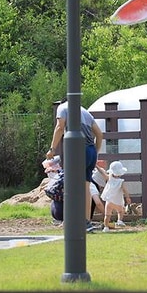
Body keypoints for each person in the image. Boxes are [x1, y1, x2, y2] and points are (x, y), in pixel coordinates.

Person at [46, 99, 103, 232]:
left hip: (77, 150)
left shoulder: (62, 108)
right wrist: (95, 151)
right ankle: (86, 222)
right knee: (86, 188)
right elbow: (99, 134)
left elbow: (60, 127)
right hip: (91, 151)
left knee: (71, 187)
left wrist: (52, 149)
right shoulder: (85, 112)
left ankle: (71, 221)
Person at [99, 160, 130, 232]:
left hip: (109, 201)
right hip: (118, 201)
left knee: (107, 215)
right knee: (120, 211)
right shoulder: (121, 181)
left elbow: (102, 172)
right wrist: (127, 197)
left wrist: (97, 166)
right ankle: (119, 221)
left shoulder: (109, 178)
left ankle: (106, 227)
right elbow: (125, 190)